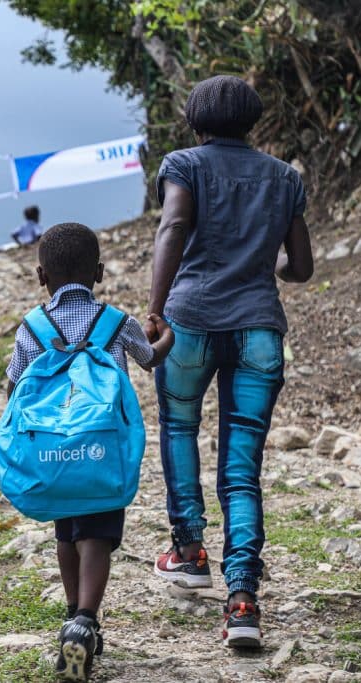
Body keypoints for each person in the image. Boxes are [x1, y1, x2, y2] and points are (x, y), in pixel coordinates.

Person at [145, 75, 314, 649]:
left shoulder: (184, 163)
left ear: (196, 122)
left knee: (180, 428)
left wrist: (154, 309)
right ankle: (243, 601)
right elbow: (302, 267)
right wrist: (269, 270)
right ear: (254, 122)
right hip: (259, 329)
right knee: (243, 467)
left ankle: (189, 551)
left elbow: (173, 225)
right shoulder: (284, 177)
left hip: (190, 320)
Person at [5, 223, 175, 681]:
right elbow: (149, 358)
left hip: (55, 455)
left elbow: (13, 386)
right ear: (99, 272)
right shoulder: (117, 323)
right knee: (97, 535)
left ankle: (70, 614)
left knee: (67, 533)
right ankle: (86, 620)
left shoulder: (32, 327)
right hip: (102, 451)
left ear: (42, 276)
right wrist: (166, 339)